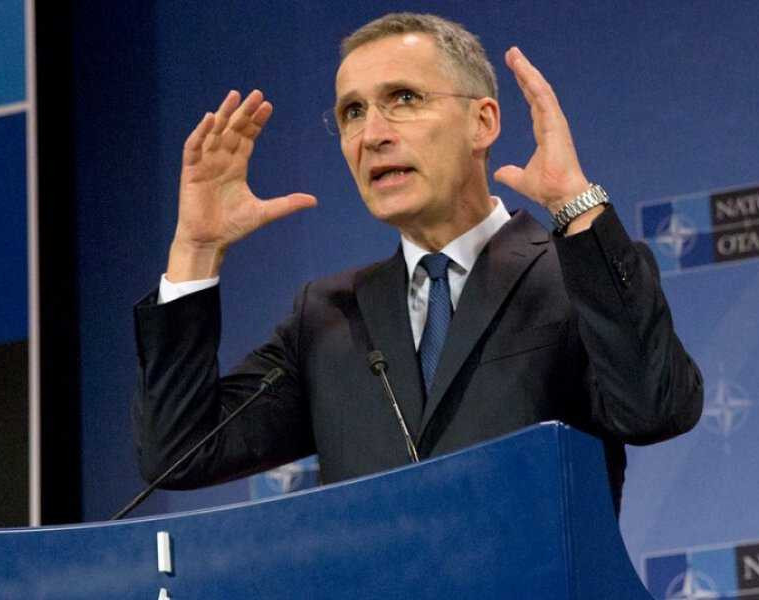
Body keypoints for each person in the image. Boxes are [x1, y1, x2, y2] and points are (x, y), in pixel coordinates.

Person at [132, 13, 703, 511]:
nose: (372, 135)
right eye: (353, 112)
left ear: (482, 122)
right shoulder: (327, 317)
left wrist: (574, 204)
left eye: (404, 99)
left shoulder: (574, 273)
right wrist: (196, 250)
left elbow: (655, 409)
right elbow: (180, 452)